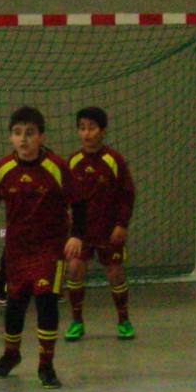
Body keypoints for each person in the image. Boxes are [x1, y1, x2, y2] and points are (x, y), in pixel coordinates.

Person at [0, 107, 85, 388]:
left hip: (50, 248)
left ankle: (46, 364)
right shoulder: (3, 168)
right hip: (17, 249)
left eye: (29, 133)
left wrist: (76, 234)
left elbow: (78, 202)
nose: (23, 140)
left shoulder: (56, 166)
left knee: (46, 300)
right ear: (10, 137)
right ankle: (11, 354)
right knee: (15, 303)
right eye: (17, 133)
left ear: (41, 136)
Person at [64, 107, 136, 341]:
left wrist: (121, 225)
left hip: (108, 230)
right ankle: (76, 322)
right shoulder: (73, 161)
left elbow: (127, 195)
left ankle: (124, 320)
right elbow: (65, 196)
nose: (87, 133)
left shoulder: (114, 161)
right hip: (81, 233)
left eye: (92, 128)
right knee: (74, 270)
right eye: (82, 128)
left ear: (102, 131)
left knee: (115, 273)